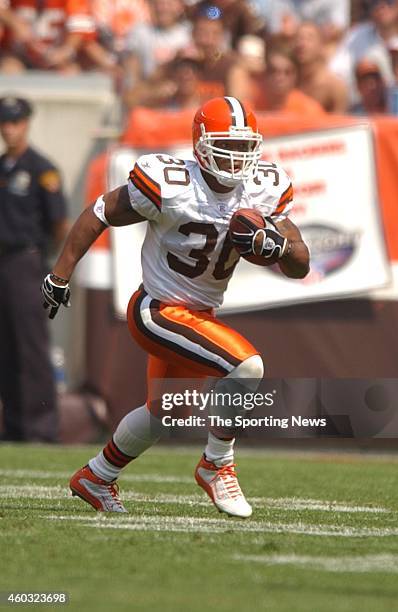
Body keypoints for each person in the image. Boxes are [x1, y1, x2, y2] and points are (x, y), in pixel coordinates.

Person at [41, 96, 309, 517]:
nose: (236, 157)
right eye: (226, 145)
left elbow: (300, 263)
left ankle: (96, 476)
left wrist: (276, 246)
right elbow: (98, 213)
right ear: (200, 144)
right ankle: (217, 465)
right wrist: (60, 274)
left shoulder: (264, 188)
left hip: (199, 316)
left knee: (164, 413)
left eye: (244, 147)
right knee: (247, 366)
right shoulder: (172, 183)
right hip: (157, 310)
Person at [0, 96, 69, 441]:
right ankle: (13, 425)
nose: (9, 129)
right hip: (2, 262)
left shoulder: (42, 169)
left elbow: (59, 223)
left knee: (30, 345)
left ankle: (41, 427)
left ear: (26, 123)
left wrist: (44, 260)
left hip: (25, 260)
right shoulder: (2, 167)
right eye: (4, 123)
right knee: (6, 345)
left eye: (14, 122)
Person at [251, 45, 327, 114]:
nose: (279, 78)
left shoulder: (310, 111)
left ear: (296, 76)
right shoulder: (249, 110)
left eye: (287, 72)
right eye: (273, 71)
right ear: (264, 74)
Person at [293, 22, 349, 113]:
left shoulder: (334, 87)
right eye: (298, 39)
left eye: (309, 39)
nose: (301, 44)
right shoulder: (289, 81)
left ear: (321, 46)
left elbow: (340, 124)